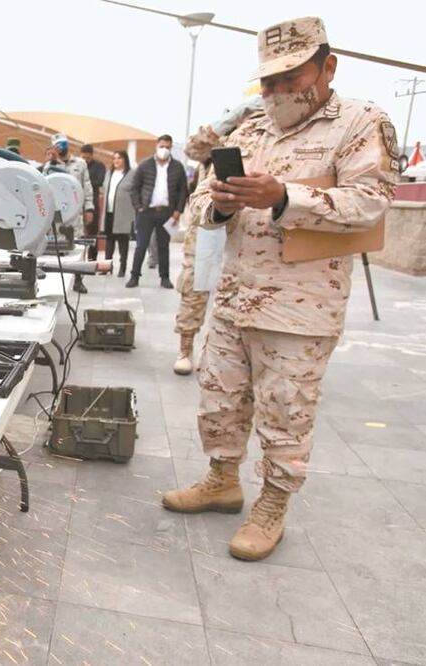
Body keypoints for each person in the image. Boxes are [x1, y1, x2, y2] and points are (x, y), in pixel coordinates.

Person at [161, 17, 397, 561]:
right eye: (267, 81)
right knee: (218, 400)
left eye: (289, 77)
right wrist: (220, 203)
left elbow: (369, 202)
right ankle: (222, 479)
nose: (275, 91)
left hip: (300, 308)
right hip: (234, 297)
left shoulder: (361, 124)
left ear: (326, 67)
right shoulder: (250, 130)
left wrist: (283, 196)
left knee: (286, 412)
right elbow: (201, 205)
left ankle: (272, 504)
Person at [173, 96, 265, 375]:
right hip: (208, 222)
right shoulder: (226, 137)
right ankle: (185, 347)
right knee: (194, 285)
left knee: (241, 289)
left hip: (251, 226)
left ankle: (223, 351)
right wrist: (231, 119)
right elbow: (194, 148)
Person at [125, 135, 187, 289]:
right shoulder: (145, 165)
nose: (164, 149)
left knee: (163, 246)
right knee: (141, 245)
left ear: (171, 148)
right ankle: (134, 276)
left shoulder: (177, 167)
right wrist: (138, 206)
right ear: (156, 146)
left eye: (167, 147)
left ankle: (165, 277)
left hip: (167, 212)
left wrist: (178, 211)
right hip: (146, 212)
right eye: (162, 146)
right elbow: (134, 187)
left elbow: (183, 191)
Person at [41, 134, 94, 292]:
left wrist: (89, 208)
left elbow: (86, 186)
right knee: (57, 246)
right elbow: (44, 186)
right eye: (57, 146)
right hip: (57, 213)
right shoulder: (48, 166)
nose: (61, 148)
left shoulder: (80, 163)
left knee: (77, 246)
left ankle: (78, 279)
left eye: (62, 145)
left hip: (75, 212)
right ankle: (58, 279)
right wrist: (53, 162)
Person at [100, 150, 134, 277]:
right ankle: (107, 267)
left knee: (122, 241)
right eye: (114, 158)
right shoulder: (109, 173)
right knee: (109, 241)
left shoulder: (131, 174)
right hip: (109, 211)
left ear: (125, 159)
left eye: (119, 158)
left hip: (123, 213)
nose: (116, 161)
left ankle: (122, 268)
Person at [80, 144, 106, 263]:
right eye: (83, 157)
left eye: (88, 158)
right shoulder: (78, 165)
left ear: (91, 155)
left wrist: (84, 181)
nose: (85, 160)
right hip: (78, 202)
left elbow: (99, 182)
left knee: (92, 231)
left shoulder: (99, 166)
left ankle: (92, 258)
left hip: (93, 203)